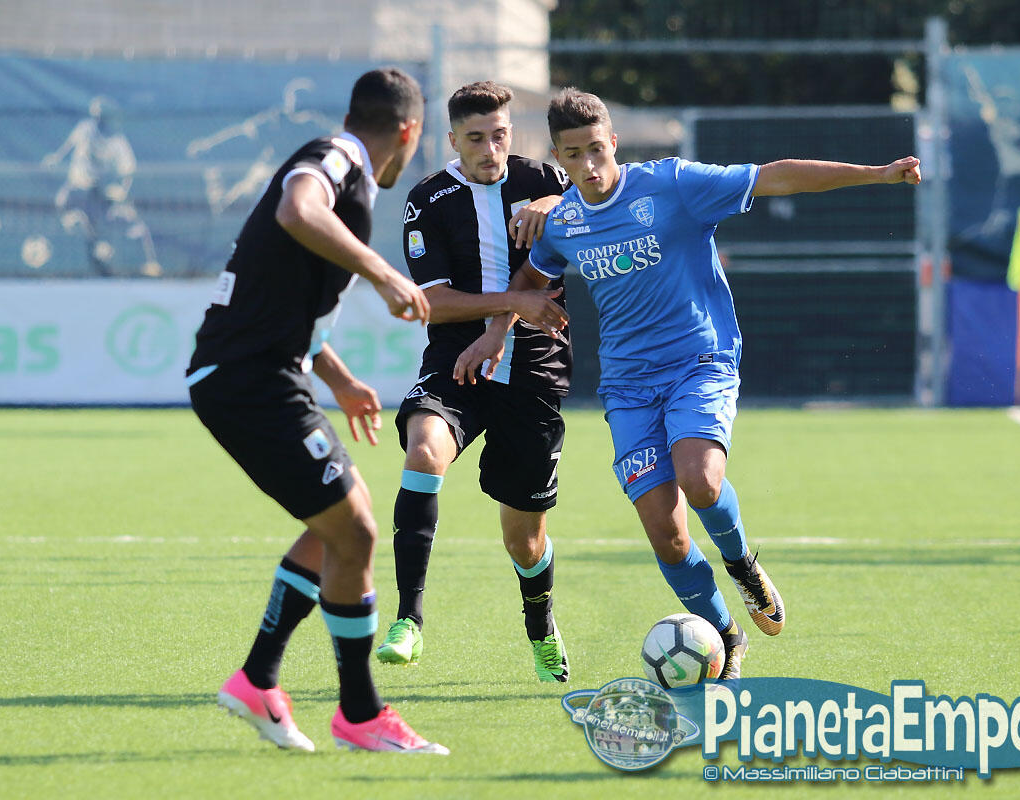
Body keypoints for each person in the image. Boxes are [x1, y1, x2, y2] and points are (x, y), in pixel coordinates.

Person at [456, 87, 922, 678]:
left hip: (699, 361)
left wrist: (876, 174)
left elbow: (775, 177)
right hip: (628, 387)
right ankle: (726, 638)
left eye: (597, 149)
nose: (590, 165)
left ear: (614, 142)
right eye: (574, 155)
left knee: (700, 480)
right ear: (558, 157)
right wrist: (499, 329)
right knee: (666, 535)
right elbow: (529, 278)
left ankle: (741, 562)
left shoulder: (672, 184)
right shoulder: (563, 222)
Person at [186, 68, 447, 754]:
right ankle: (359, 714)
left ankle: (258, 680)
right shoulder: (337, 157)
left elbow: (286, 302)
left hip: (262, 372)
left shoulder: (349, 176)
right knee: (355, 530)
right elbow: (296, 210)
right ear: (408, 131)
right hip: (250, 378)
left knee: (341, 525)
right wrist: (384, 273)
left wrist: (341, 378)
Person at [375, 81, 573, 682]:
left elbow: (602, 194)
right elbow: (433, 301)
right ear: (453, 141)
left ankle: (540, 627)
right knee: (424, 450)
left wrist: (558, 203)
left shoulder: (545, 181)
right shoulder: (428, 200)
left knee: (525, 539)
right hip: (457, 362)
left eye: (500, 135)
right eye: (476, 138)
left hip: (534, 371)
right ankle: (408, 620)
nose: (491, 149)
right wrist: (513, 304)